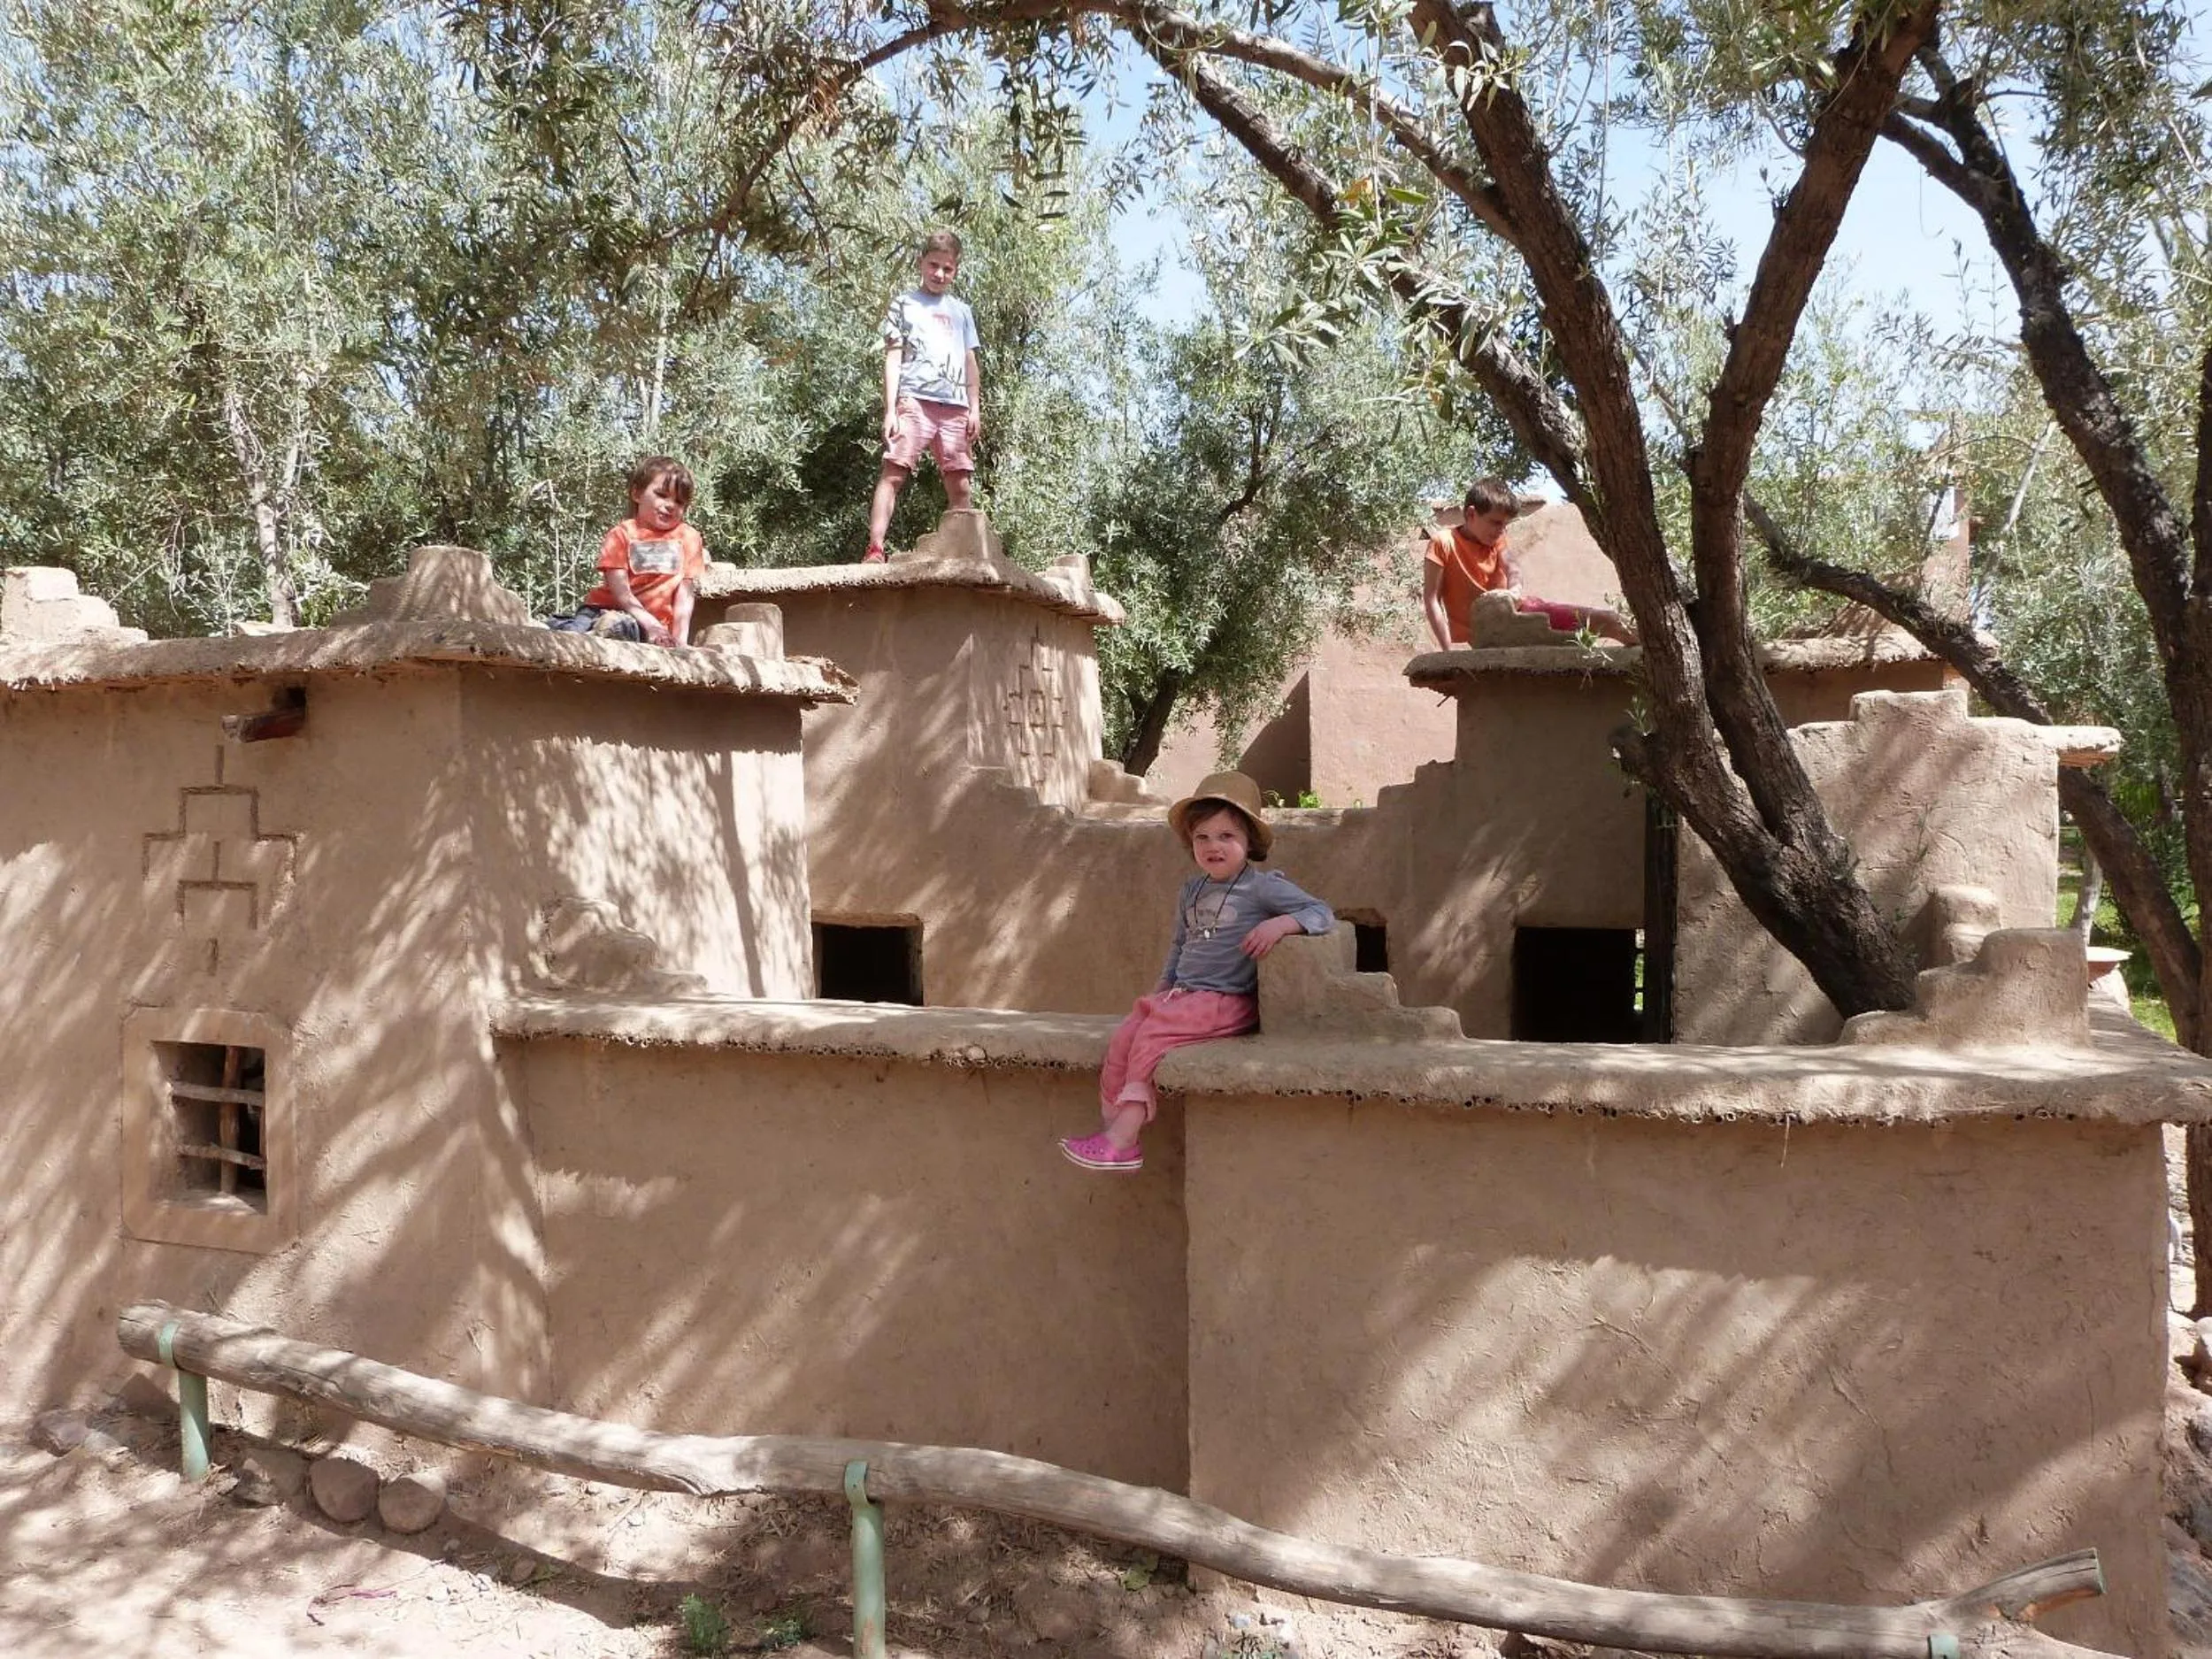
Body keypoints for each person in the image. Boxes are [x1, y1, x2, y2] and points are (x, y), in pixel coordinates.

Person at [1059, 772, 1335, 1173]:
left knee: (1152, 1036)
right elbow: (1179, 946)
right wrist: (1162, 990)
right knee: (1126, 1035)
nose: (1213, 846)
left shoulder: (1262, 889)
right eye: (1202, 837)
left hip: (1226, 1001)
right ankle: (1110, 1129)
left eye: (1226, 836)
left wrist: (1281, 925)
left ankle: (1126, 1137)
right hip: (1185, 997)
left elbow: (1321, 912)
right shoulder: (1192, 891)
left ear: (1249, 842)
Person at [863, 229, 981, 564]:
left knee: (960, 483)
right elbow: (893, 357)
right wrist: (890, 410)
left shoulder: (962, 312)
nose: (939, 274)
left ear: (956, 270)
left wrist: (975, 408)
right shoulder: (903, 304)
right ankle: (875, 548)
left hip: (956, 406)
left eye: (947, 268)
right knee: (894, 472)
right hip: (914, 401)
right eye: (934, 265)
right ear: (921, 263)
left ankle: (964, 553)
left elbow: (969, 361)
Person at [1421, 478, 1636, 650]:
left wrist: (1514, 590)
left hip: (1518, 614)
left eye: (1505, 525)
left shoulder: (1495, 540)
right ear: (1471, 514)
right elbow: (1432, 600)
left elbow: (1512, 566)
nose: (1501, 531)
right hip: (1486, 634)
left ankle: (1641, 639)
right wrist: (1447, 652)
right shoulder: (1443, 543)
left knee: (1604, 622)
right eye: (1496, 522)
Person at [548, 457, 706, 646]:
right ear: (637, 494)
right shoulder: (621, 534)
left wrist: (679, 640)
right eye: (662, 495)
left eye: (679, 502)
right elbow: (620, 592)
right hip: (601, 609)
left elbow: (685, 594)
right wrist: (652, 625)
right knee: (571, 636)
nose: (670, 505)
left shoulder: (689, 537)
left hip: (642, 625)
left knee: (623, 629)